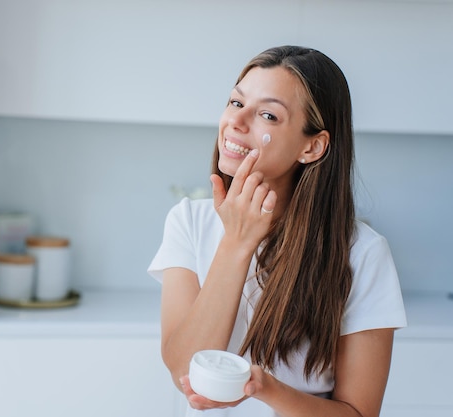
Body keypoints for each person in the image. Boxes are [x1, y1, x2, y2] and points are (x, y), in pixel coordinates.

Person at [147, 45, 406, 417]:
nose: (236, 122)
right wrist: (236, 244)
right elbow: (184, 371)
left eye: (267, 114)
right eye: (236, 103)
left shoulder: (362, 253)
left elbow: (359, 413)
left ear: (313, 146)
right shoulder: (188, 221)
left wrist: (264, 389)